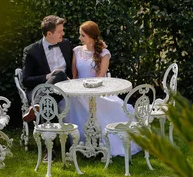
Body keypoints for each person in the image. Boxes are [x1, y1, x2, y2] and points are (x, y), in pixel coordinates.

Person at [66, 21, 141, 157]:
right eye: (80, 35)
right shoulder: (76, 51)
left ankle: (102, 142)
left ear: (91, 36)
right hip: (79, 91)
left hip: (98, 90)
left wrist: (90, 90)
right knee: (73, 102)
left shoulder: (104, 53)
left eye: (82, 35)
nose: (80, 38)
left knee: (110, 107)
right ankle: (82, 142)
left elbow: (101, 77)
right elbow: (75, 76)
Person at [21, 15, 73, 122]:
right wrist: (47, 77)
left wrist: (99, 46)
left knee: (59, 74)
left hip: (65, 87)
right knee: (48, 101)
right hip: (41, 89)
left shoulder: (66, 44)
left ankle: (37, 106)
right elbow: (25, 81)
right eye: (60, 31)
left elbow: (83, 52)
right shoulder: (31, 51)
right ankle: (50, 136)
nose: (63, 34)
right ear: (49, 34)